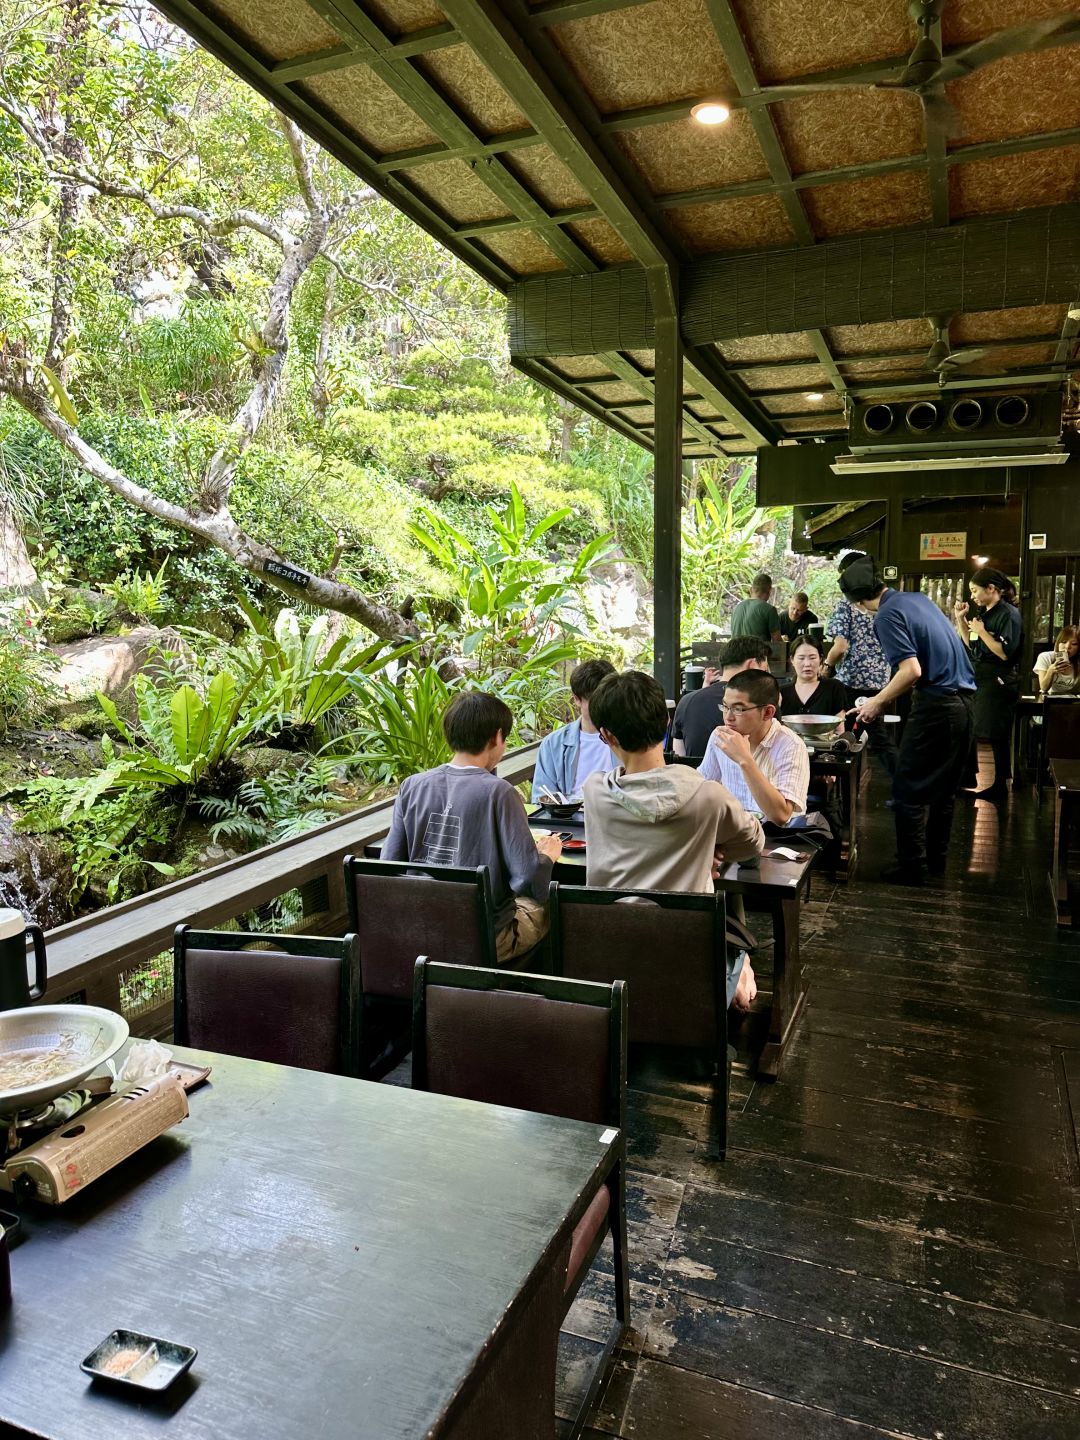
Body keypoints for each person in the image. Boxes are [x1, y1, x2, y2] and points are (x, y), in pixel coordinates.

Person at [583, 669, 764, 1009]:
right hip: (686, 955)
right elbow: (753, 843)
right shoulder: (707, 796)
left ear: (607, 735)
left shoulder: (595, 791)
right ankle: (738, 973)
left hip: (611, 952)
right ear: (667, 723)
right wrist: (709, 846)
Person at [383, 690, 562, 961]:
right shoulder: (500, 793)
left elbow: (388, 864)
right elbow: (527, 878)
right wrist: (547, 856)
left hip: (422, 933)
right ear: (496, 737)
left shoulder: (412, 786)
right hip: (484, 940)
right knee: (553, 908)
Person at [838, 557, 974, 886]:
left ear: (857, 602)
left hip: (937, 706)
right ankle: (936, 863)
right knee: (944, 791)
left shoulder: (885, 615)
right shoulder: (917, 599)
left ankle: (911, 868)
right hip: (966, 703)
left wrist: (876, 701)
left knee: (907, 787)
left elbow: (911, 671)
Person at [697, 670, 821, 832]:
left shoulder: (791, 745)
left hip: (778, 838)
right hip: (734, 833)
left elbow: (781, 815)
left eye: (738, 709)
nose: (728, 717)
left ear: (768, 712)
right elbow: (701, 788)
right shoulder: (720, 737)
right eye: (725, 707)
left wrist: (745, 760)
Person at [823, 551, 898, 777]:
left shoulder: (846, 606)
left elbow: (840, 647)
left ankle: (904, 783)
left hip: (851, 680)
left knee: (846, 734)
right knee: (870, 733)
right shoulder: (883, 604)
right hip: (881, 681)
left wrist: (826, 666)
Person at [953, 566, 1023, 801]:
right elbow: (971, 645)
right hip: (980, 678)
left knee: (995, 734)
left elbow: (1003, 653)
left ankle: (1000, 785)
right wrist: (960, 619)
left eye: (975, 591)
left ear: (991, 589)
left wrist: (982, 632)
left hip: (999, 680)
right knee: (978, 728)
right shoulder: (985, 614)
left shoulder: (1008, 613)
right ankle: (974, 779)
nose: (972, 596)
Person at [670, 636, 774, 758]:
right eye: (764, 670)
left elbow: (679, 757)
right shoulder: (761, 704)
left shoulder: (686, 701)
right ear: (752, 665)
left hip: (695, 775)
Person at [531, 658, 616, 801]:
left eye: (608, 699)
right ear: (576, 699)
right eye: (595, 701)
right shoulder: (553, 744)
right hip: (568, 820)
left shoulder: (628, 737)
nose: (603, 706)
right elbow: (541, 799)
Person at [782, 636, 849, 717]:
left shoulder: (834, 688)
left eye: (812, 658)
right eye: (801, 658)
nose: (807, 664)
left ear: (821, 659)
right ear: (792, 660)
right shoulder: (781, 692)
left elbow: (840, 727)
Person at [730, 573, 782, 643]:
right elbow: (777, 642)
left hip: (734, 652)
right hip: (756, 653)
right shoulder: (769, 610)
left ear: (751, 589)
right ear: (769, 591)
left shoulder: (736, 608)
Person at [1034, 626, 1080, 695]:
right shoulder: (1045, 657)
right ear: (1057, 643)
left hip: (1072, 702)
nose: (1067, 647)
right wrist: (1051, 671)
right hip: (1049, 700)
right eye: (1063, 642)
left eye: (1074, 644)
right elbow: (1043, 688)